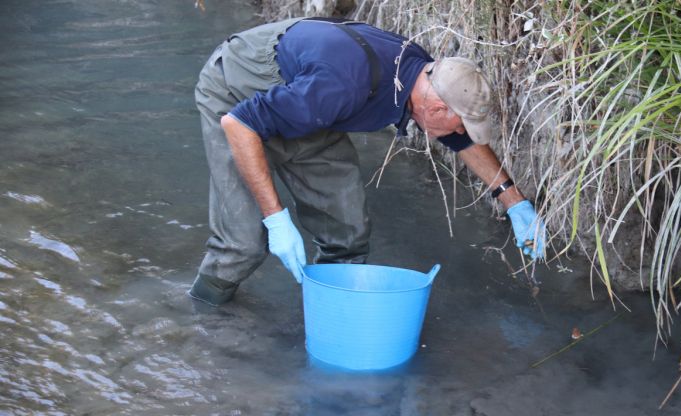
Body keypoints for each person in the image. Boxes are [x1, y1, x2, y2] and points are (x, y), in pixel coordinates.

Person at [188, 17, 546, 306]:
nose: (453, 134)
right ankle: (203, 318)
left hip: (308, 102)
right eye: (457, 124)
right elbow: (239, 124)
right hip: (236, 94)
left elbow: (461, 139)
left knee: (347, 235)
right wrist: (276, 218)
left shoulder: (419, 75)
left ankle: (329, 315)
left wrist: (515, 203)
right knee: (244, 243)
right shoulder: (343, 85)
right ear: (435, 107)